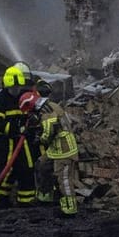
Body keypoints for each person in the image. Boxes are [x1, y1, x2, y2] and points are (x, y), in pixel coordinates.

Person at [0, 62, 38, 210]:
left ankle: (26, 200)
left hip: (20, 142)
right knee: (0, 170)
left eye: (18, 88)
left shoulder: (20, 97)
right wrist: (16, 128)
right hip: (3, 144)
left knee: (26, 168)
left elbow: (28, 112)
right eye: (14, 88)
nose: (17, 90)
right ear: (7, 86)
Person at [29, 83, 82, 216]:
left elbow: (48, 132)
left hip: (65, 149)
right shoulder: (50, 106)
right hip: (55, 148)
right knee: (42, 165)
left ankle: (70, 208)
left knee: (63, 178)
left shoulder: (47, 110)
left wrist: (38, 139)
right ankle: (45, 197)